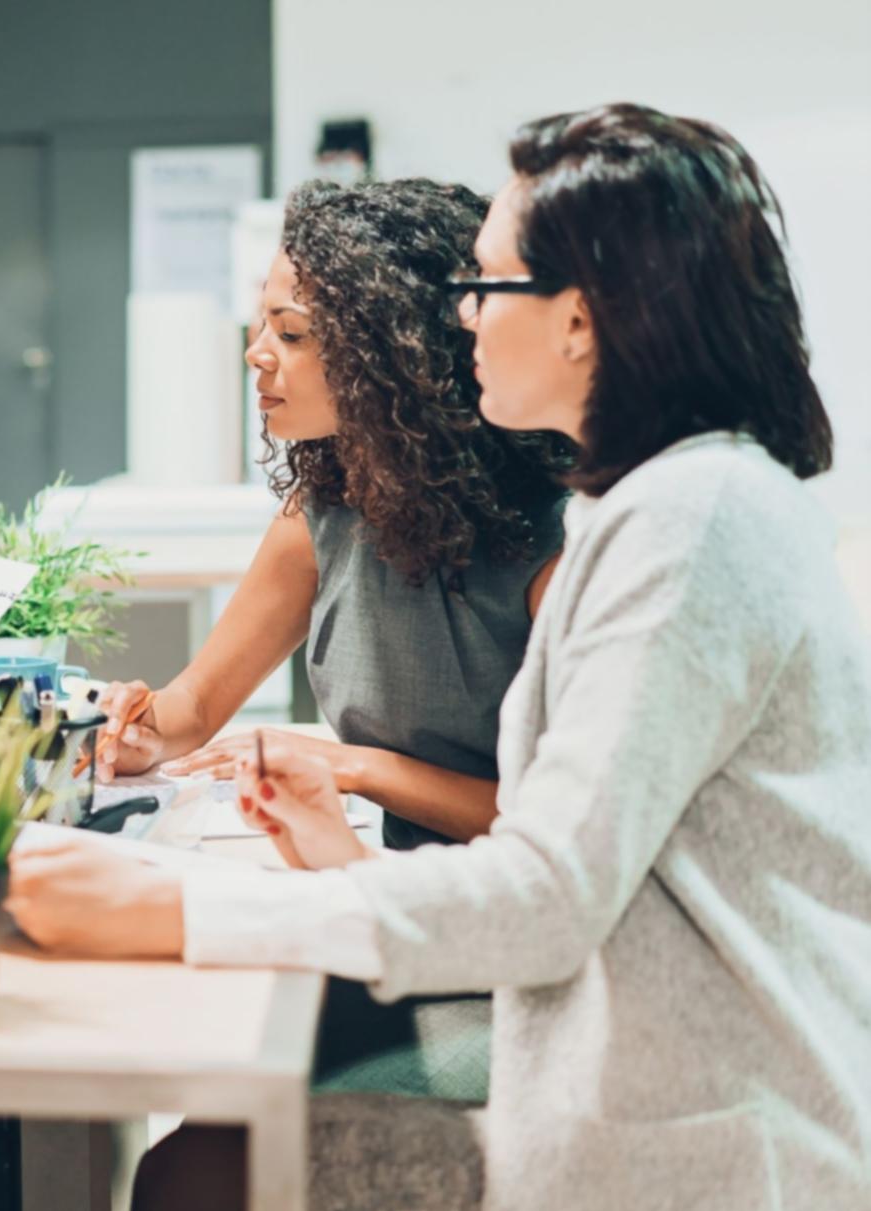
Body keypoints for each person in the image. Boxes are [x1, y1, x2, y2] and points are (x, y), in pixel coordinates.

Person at [9, 103, 871, 1211]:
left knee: (193, 1173)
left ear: (575, 320)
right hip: (638, 1074)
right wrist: (348, 862)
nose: (458, 316)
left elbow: (546, 890)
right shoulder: (669, 503)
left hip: (695, 1141)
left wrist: (164, 912)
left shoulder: (685, 522)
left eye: (485, 284)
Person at [99, 177, 572, 1097]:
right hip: (387, 910)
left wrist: (354, 766)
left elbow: (553, 834)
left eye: (292, 332)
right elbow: (193, 706)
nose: (254, 355)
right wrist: (140, 725)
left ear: (391, 352)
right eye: (261, 326)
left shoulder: (555, 544)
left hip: (518, 959)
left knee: (205, 1145)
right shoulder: (327, 507)